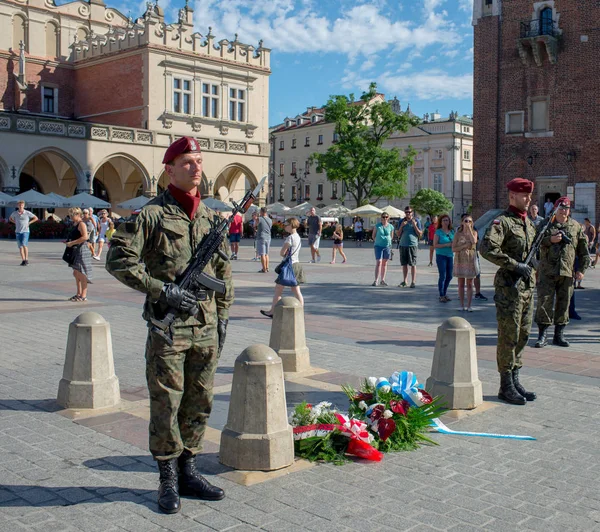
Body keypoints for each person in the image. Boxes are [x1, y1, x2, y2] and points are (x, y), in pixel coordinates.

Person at [106, 136, 233, 514]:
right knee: (166, 403)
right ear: (169, 169)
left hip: (206, 327)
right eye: (187, 162)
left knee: (200, 401)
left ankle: (189, 469)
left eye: (199, 161)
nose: (196, 167)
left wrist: (223, 315)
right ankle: (168, 478)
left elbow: (223, 274)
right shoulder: (151, 214)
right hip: (170, 327)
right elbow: (119, 260)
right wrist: (163, 291)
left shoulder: (211, 217)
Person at [480, 178, 537, 406]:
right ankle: (505, 385)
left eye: (530, 195)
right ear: (512, 195)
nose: (528, 199)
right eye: (524, 195)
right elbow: (487, 248)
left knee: (523, 334)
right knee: (508, 336)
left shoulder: (529, 224)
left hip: (527, 287)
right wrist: (514, 265)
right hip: (509, 288)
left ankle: (515, 378)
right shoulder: (501, 222)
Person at [533, 197, 589, 349]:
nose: (564, 211)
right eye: (561, 207)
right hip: (547, 272)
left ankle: (559, 335)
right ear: (555, 209)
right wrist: (550, 240)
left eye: (567, 208)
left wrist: (581, 270)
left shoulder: (575, 226)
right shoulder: (545, 224)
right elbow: (534, 242)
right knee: (544, 302)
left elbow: (584, 252)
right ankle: (542, 335)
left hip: (567, 273)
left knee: (564, 304)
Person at [260, 217, 305, 318]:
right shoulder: (298, 237)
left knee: (278, 290)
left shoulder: (290, 238)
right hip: (296, 265)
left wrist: (284, 253)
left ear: (291, 225)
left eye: (286, 225)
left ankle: (272, 311)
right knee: (297, 291)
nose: (285, 226)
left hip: (288, 267)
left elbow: (282, 253)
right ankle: (301, 311)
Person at [64, 207, 93, 301]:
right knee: (76, 273)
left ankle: (83, 295)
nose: (71, 217)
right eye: (70, 215)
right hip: (75, 250)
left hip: (82, 250)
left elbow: (85, 237)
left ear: (78, 214)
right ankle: (78, 293)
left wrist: (72, 243)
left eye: (72, 215)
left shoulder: (82, 224)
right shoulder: (76, 224)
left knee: (81, 273)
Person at [453, 215, 478, 311]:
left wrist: (470, 230)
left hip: (470, 258)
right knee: (460, 283)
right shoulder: (457, 235)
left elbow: (474, 241)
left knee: (470, 283)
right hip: (460, 259)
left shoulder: (474, 232)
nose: (468, 223)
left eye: (470, 221)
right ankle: (461, 305)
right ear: (462, 222)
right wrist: (464, 246)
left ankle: (469, 305)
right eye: (466, 221)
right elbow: (453, 248)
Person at [397, 206, 423, 288]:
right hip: (403, 244)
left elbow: (420, 234)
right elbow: (398, 234)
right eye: (406, 212)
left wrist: (414, 225)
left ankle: (413, 282)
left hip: (412, 245)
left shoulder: (416, 221)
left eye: (409, 212)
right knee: (404, 264)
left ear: (412, 212)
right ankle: (405, 281)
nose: (407, 213)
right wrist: (401, 226)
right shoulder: (401, 221)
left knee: (413, 264)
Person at [8, 200, 38, 266]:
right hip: (18, 232)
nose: (20, 206)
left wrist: (29, 223)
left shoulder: (27, 213)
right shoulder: (15, 213)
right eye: (19, 205)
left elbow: (36, 218)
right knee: (20, 247)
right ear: (18, 206)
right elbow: (10, 218)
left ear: (24, 206)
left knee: (24, 244)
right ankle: (23, 260)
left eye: (22, 205)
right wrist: (14, 222)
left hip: (25, 231)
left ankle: (26, 259)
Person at [433, 214, 454, 303]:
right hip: (441, 255)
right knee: (443, 275)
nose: (446, 222)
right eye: (444, 220)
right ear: (441, 222)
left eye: (447, 220)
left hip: (450, 255)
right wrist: (446, 244)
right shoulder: (438, 232)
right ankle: (441, 295)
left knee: (449, 276)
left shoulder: (452, 231)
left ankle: (445, 293)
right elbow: (435, 245)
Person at [371, 213, 393, 286]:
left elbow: (391, 236)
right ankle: (376, 280)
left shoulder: (391, 226)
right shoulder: (377, 226)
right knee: (379, 262)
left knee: (385, 263)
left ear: (388, 218)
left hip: (387, 246)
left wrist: (388, 241)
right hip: (378, 246)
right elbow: (373, 236)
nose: (385, 218)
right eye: (383, 217)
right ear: (381, 218)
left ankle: (382, 280)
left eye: (386, 217)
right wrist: (377, 241)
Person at [256, 207, 272, 273]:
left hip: (261, 237)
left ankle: (264, 269)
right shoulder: (270, 220)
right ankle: (267, 268)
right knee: (267, 254)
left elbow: (255, 225)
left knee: (262, 254)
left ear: (262, 212)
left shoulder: (259, 219)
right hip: (268, 237)